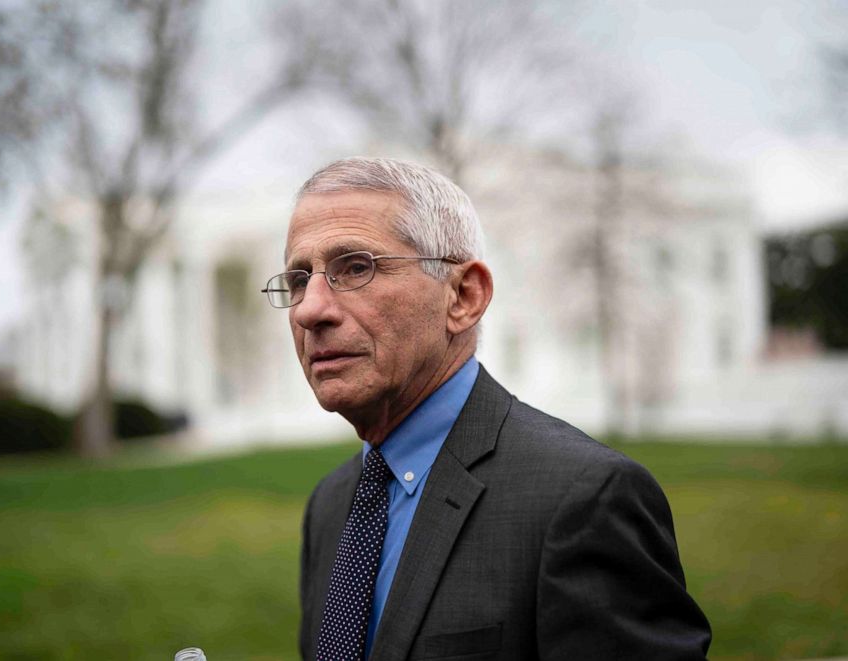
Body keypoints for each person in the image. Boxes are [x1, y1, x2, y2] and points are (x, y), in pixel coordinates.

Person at [262, 157, 711, 660]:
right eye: (299, 279)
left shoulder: (583, 499)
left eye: (356, 268)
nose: (309, 309)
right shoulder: (330, 505)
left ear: (463, 296)